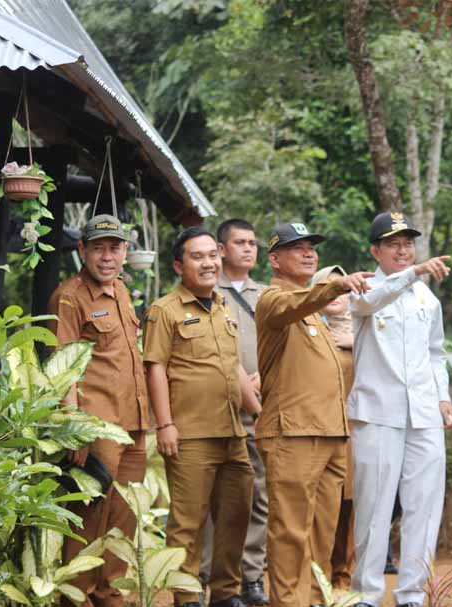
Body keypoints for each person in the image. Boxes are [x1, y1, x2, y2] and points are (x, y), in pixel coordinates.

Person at [254, 223, 373, 607]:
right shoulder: (274, 301)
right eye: (297, 248)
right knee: (291, 532)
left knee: (323, 530)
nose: (308, 253)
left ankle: (316, 599)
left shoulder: (315, 317)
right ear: (275, 259)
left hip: (330, 434)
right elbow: (294, 306)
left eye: (312, 248)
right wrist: (336, 286)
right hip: (293, 434)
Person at [143, 227, 261, 607]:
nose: (209, 263)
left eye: (212, 255)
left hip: (233, 432)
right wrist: (165, 424)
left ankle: (225, 594)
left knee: (236, 515)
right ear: (179, 266)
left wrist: (258, 415)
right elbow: (155, 368)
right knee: (187, 522)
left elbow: (234, 368)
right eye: (198, 256)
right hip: (190, 434)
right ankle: (187, 595)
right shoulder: (165, 310)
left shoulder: (224, 307)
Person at [346, 212, 452, 607]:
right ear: (375, 251)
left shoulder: (427, 298)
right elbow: (370, 302)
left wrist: (443, 396)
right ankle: (367, 593)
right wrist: (414, 273)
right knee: (373, 505)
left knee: (424, 504)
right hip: (378, 411)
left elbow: (436, 353)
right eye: (393, 244)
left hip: (424, 413)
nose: (404, 250)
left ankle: (411, 594)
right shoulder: (363, 287)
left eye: (408, 243)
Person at [50, 214, 149, 607]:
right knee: (88, 515)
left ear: (125, 251)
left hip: (133, 422)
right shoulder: (69, 296)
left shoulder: (121, 290)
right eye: (98, 248)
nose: (107, 257)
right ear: (82, 250)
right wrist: (74, 427)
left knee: (124, 515)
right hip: (96, 426)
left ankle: (109, 594)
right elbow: (63, 367)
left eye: (114, 248)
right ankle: (76, 597)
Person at [198, 219, 269, 606]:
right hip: (215, 408)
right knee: (212, 498)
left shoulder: (267, 295)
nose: (248, 249)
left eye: (253, 243)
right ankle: (204, 573)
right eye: (240, 242)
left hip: (258, 409)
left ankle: (251, 575)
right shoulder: (207, 291)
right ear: (222, 250)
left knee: (257, 495)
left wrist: (264, 379)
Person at [311, 265, 356, 590]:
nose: (336, 293)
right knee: (321, 506)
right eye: (327, 287)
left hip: (358, 429)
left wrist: (359, 342)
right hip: (318, 427)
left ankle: (344, 578)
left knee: (351, 505)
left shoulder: (367, 328)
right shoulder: (308, 328)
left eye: (342, 287)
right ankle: (318, 579)